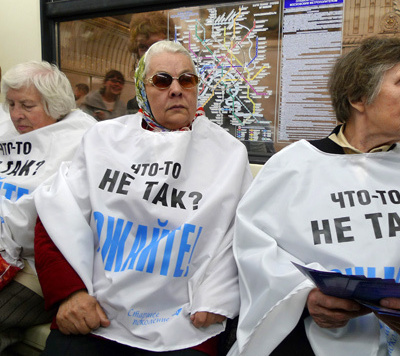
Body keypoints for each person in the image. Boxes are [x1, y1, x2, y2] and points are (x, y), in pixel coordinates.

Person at [227, 36, 400, 356]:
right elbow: (256, 251)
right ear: (359, 96)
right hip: (308, 337)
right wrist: (306, 297)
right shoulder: (290, 170)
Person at [34, 41, 252, 356]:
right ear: (141, 89)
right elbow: (54, 215)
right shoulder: (101, 140)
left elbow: (244, 234)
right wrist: (70, 294)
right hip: (99, 313)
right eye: (162, 81)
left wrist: (219, 296)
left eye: (186, 80)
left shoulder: (229, 154)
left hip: (184, 319)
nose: (176, 89)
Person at [0, 60, 96, 352]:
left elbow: (46, 216)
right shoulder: (6, 131)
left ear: (55, 105)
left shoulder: (82, 139)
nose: (17, 115)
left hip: (36, 260)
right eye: (11, 104)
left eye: (27, 105)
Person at [126, 11, 175, 114]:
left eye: (156, 45)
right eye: (143, 47)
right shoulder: (135, 105)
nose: (149, 54)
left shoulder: (184, 90)